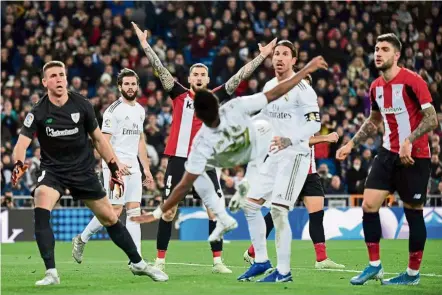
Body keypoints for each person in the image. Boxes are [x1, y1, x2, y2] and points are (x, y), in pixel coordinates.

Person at [131, 57, 329, 261]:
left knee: (241, 193)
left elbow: (269, 92)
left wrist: (298, 71)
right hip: (224, 154)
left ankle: (229, 237)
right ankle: (230, 220)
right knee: (215, 198)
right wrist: (157, 212)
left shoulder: (234, 107)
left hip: (247, 146)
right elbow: (183, 186)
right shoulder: (198, 128)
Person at [132, 21, 276, 274]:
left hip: (206, 160)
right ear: (189, 79)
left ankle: (218, 261)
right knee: (168, 210)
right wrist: (145, 44)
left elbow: (239, 76)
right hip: (178, 159)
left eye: (202, 75)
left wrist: (261, 57)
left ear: (207, 79)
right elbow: (160, 68)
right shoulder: (177, 93)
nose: (198, 78)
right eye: (195, 75)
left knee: (213, 211)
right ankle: (160, 261)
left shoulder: (215, 97)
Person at [11, 61, 168, 285]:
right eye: (53, 76)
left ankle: (138, 263)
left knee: (110, 217)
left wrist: (113, 167)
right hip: (53, 171)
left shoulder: (81, 104)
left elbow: (98, 140)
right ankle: (51, 273)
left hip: (82, 171)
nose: (59, 79)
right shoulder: (38, 111)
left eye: (62, 75)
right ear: (45, 82)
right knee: (41, 199)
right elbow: (21, 143)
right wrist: (18, 163)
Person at [228, 41, 345, 276]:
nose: (279, 58)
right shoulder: (273, 88)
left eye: (285, 54)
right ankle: (257, 254)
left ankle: (313, 261)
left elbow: (308, 130)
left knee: (310, 214)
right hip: (279, 160)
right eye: (277, 53)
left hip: (303, 166)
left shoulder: (304, 96)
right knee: (263, 209)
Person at [336, 33, 438, 286]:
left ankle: (412, 275)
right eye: (376, 49)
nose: (378, 53)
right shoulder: (375, 87)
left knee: (413, 211)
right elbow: (374, 121)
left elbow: (432, 118)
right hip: (387, 154)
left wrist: (409, 140)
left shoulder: (413, 82)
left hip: (415, 156)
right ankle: (374, 266)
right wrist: (351, 143)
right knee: (369, 205)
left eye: (384, 49)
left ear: (396, 55)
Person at [72, 68, 154, 263]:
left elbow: (140, 141)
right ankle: (82, 238)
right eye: (126, 84)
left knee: (134, 211)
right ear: (120, 87)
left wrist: (147, 169)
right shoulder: (113, 111)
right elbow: (103, 142)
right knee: (115, 211)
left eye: (133, 84)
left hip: (133, 166)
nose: (130, 87)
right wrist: (116, 164)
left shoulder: (140, 110)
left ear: (137, 86)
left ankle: (137, 260)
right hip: (115, 168)